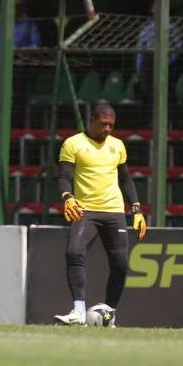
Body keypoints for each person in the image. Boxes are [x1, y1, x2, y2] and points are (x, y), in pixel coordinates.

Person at [53, 103, 147, 326]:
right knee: (74, 252)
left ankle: (109, 315)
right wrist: (68, 197)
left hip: (114, 211)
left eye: (111, 125)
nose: (107, 129)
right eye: (103, 124)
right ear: (92, 120)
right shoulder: (73, 143)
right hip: (85, 211)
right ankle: (78, 312)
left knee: (121, 264)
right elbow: (64, 176)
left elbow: (125, 178)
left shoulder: (118, 146)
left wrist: (136, 210)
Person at [134, 2, 182, 104]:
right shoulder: (146, 27)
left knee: (167, 90)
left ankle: (169, 119)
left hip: (165, 60)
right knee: (149, 90)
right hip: (148, 61)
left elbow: (178, 45)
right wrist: (138, 67)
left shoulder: (171, 26)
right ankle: (150, 119)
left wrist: (169, 60)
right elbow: (140, 48)